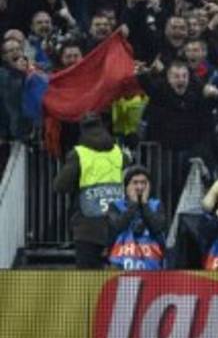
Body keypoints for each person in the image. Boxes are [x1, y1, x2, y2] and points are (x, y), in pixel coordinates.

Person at [53, 112, 129, 269]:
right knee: (118, 279)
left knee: (87, 283)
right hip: (117, 224)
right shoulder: (117, 152)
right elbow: (128, 166)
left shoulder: (79, 154)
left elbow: (60, 185)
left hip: (87, 227)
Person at [105, 165, 168, 271]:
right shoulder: (115, 206)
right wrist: (133, 204)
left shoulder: (156, 205)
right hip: (122, 265)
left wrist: (144, 204)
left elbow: (157, 227)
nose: (139, 187)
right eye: (135, 183)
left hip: (151, 266)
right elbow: (118, 226)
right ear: (126, 186)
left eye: (143, 183)